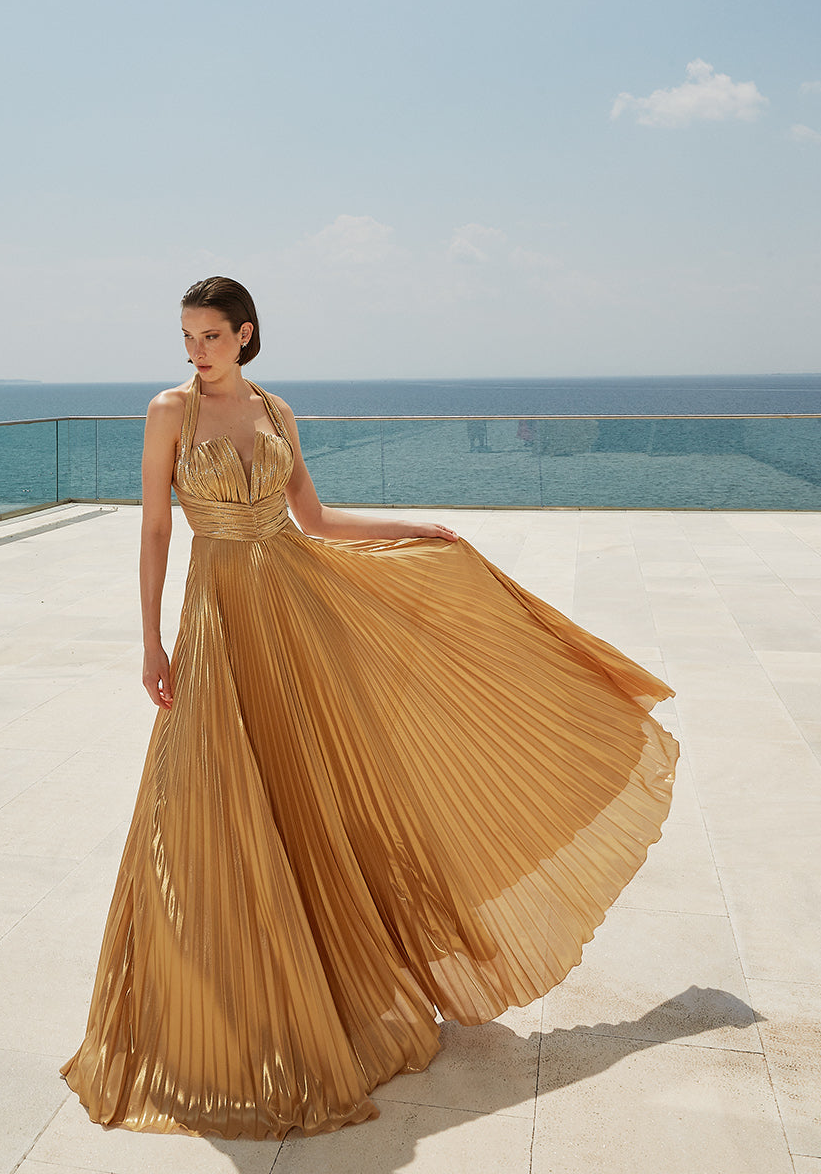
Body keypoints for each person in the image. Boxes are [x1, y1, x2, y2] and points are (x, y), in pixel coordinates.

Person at [61, 277, 677, 1139]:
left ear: (245, 336)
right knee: (200, 795)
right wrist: (152, 640)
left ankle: (324, 977)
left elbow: (309, 518)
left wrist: (411, 531)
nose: (194, 351)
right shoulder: (168, 412)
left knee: (313, 789)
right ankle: (207, 1011)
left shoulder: (276, 410)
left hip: (294, 609)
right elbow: (156, 528)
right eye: (186, 336)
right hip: (219, 613)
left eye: (209, 335)